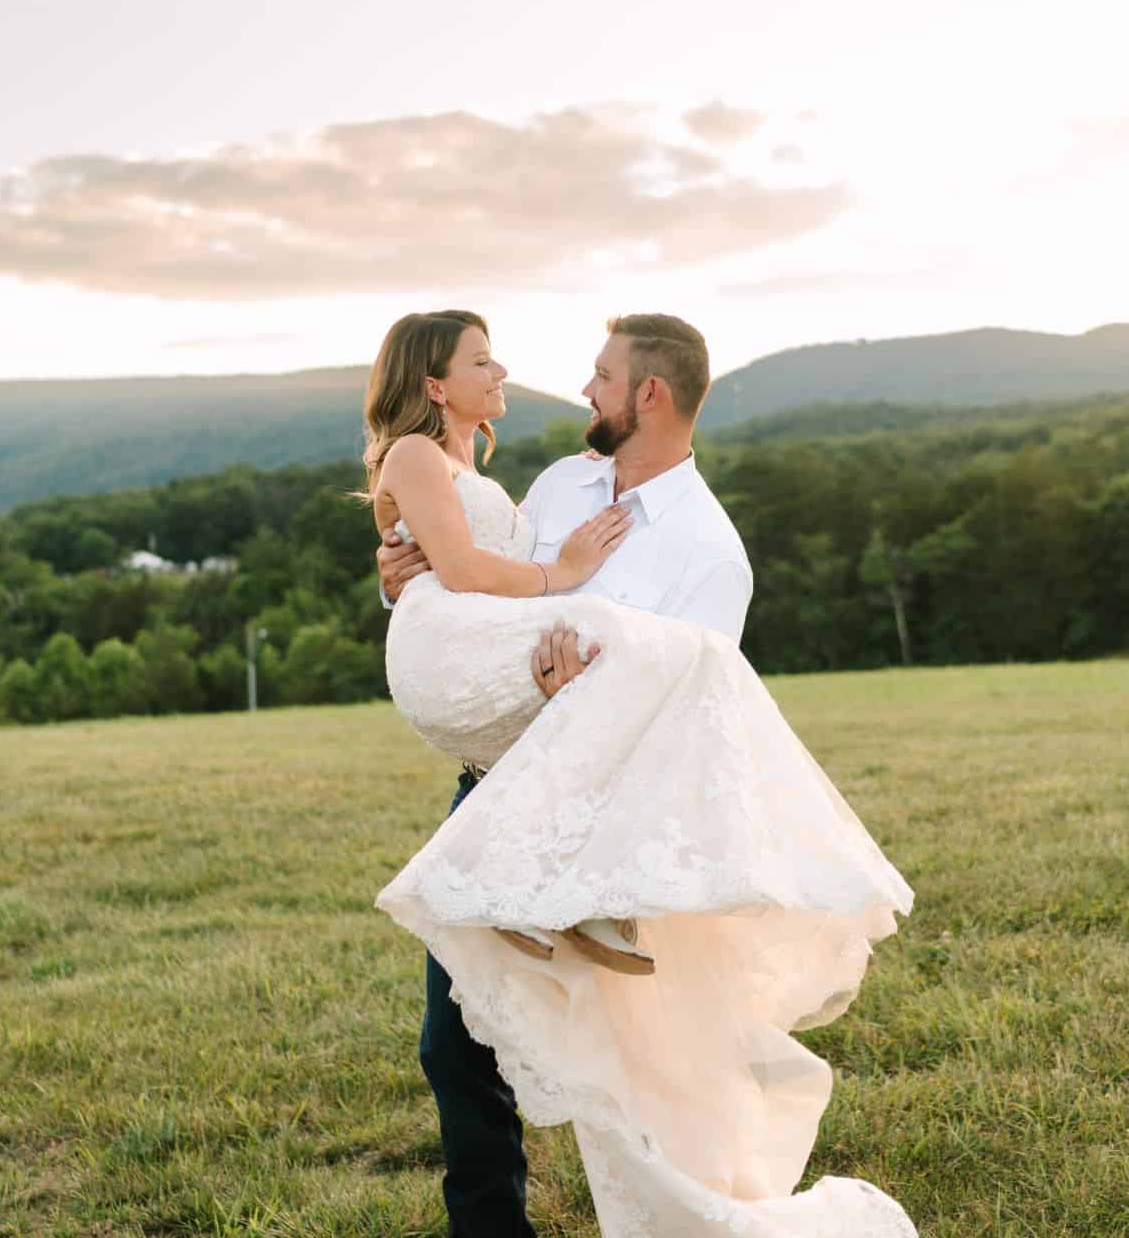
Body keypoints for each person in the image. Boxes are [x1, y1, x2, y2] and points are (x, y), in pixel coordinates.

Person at [367, 310, 916, 1238]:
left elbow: (689, 720)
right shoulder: (557, 483)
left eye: (603, 375)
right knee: (456, 1045)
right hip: (502, 786)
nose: (585, 389)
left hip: (614, 826)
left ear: (648, 394)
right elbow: (485, 588)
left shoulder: (709, 551)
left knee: (630, 1068)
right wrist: (404, 574)